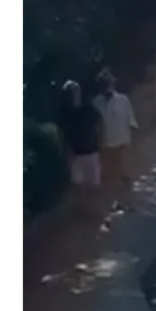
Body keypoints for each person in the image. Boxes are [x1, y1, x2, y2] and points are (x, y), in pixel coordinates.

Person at [91, 67, 138, 205]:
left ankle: (127, 200)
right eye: (103, 83)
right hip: (105, 144)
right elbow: (95, 126)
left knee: (123, 171)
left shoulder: (123, 100)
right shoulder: (96, 102)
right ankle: (115, 201)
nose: (106, 86)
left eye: (108, 83)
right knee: (110, 174)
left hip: (122, 143)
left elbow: (131, 121)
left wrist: (133, 143)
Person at [56, 79, 103, 214]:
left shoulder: (88, 108)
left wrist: (101, 141)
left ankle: (93, 209)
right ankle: (83, 209)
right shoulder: (64, 112)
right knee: (78, 184)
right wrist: (64, 151)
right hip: (75, 153)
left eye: (76, 90)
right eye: (71, 91)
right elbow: (61, 133)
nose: (74, 94)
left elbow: (100, 123)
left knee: (93, 183)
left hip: (91, 150)